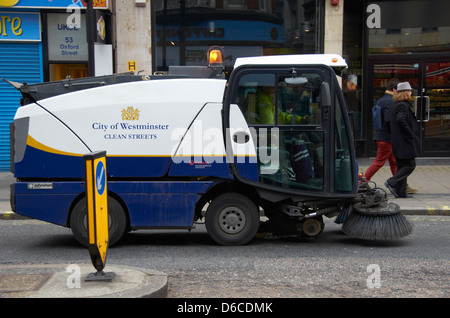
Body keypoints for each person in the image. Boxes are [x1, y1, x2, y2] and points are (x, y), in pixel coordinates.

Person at [384, 82, 420, 198]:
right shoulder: (402, 106)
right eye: (409, 91)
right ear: (405, 92)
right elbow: (401, 120)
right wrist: (409, 133)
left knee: (401, 165)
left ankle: (401, 192)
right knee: (410, 164)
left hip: (398, 141)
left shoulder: (396, 105)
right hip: (404, 141)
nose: (411, 93)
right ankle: (392, 182)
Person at [365, 78, 399, 182]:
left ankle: (399, 183)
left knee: (394, 161)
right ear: (394, 90)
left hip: (382, 135)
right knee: (379, 162)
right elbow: (389, 120)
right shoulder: (391, 101)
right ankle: (363, 180)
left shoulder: (381, 100)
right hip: (387, 137)